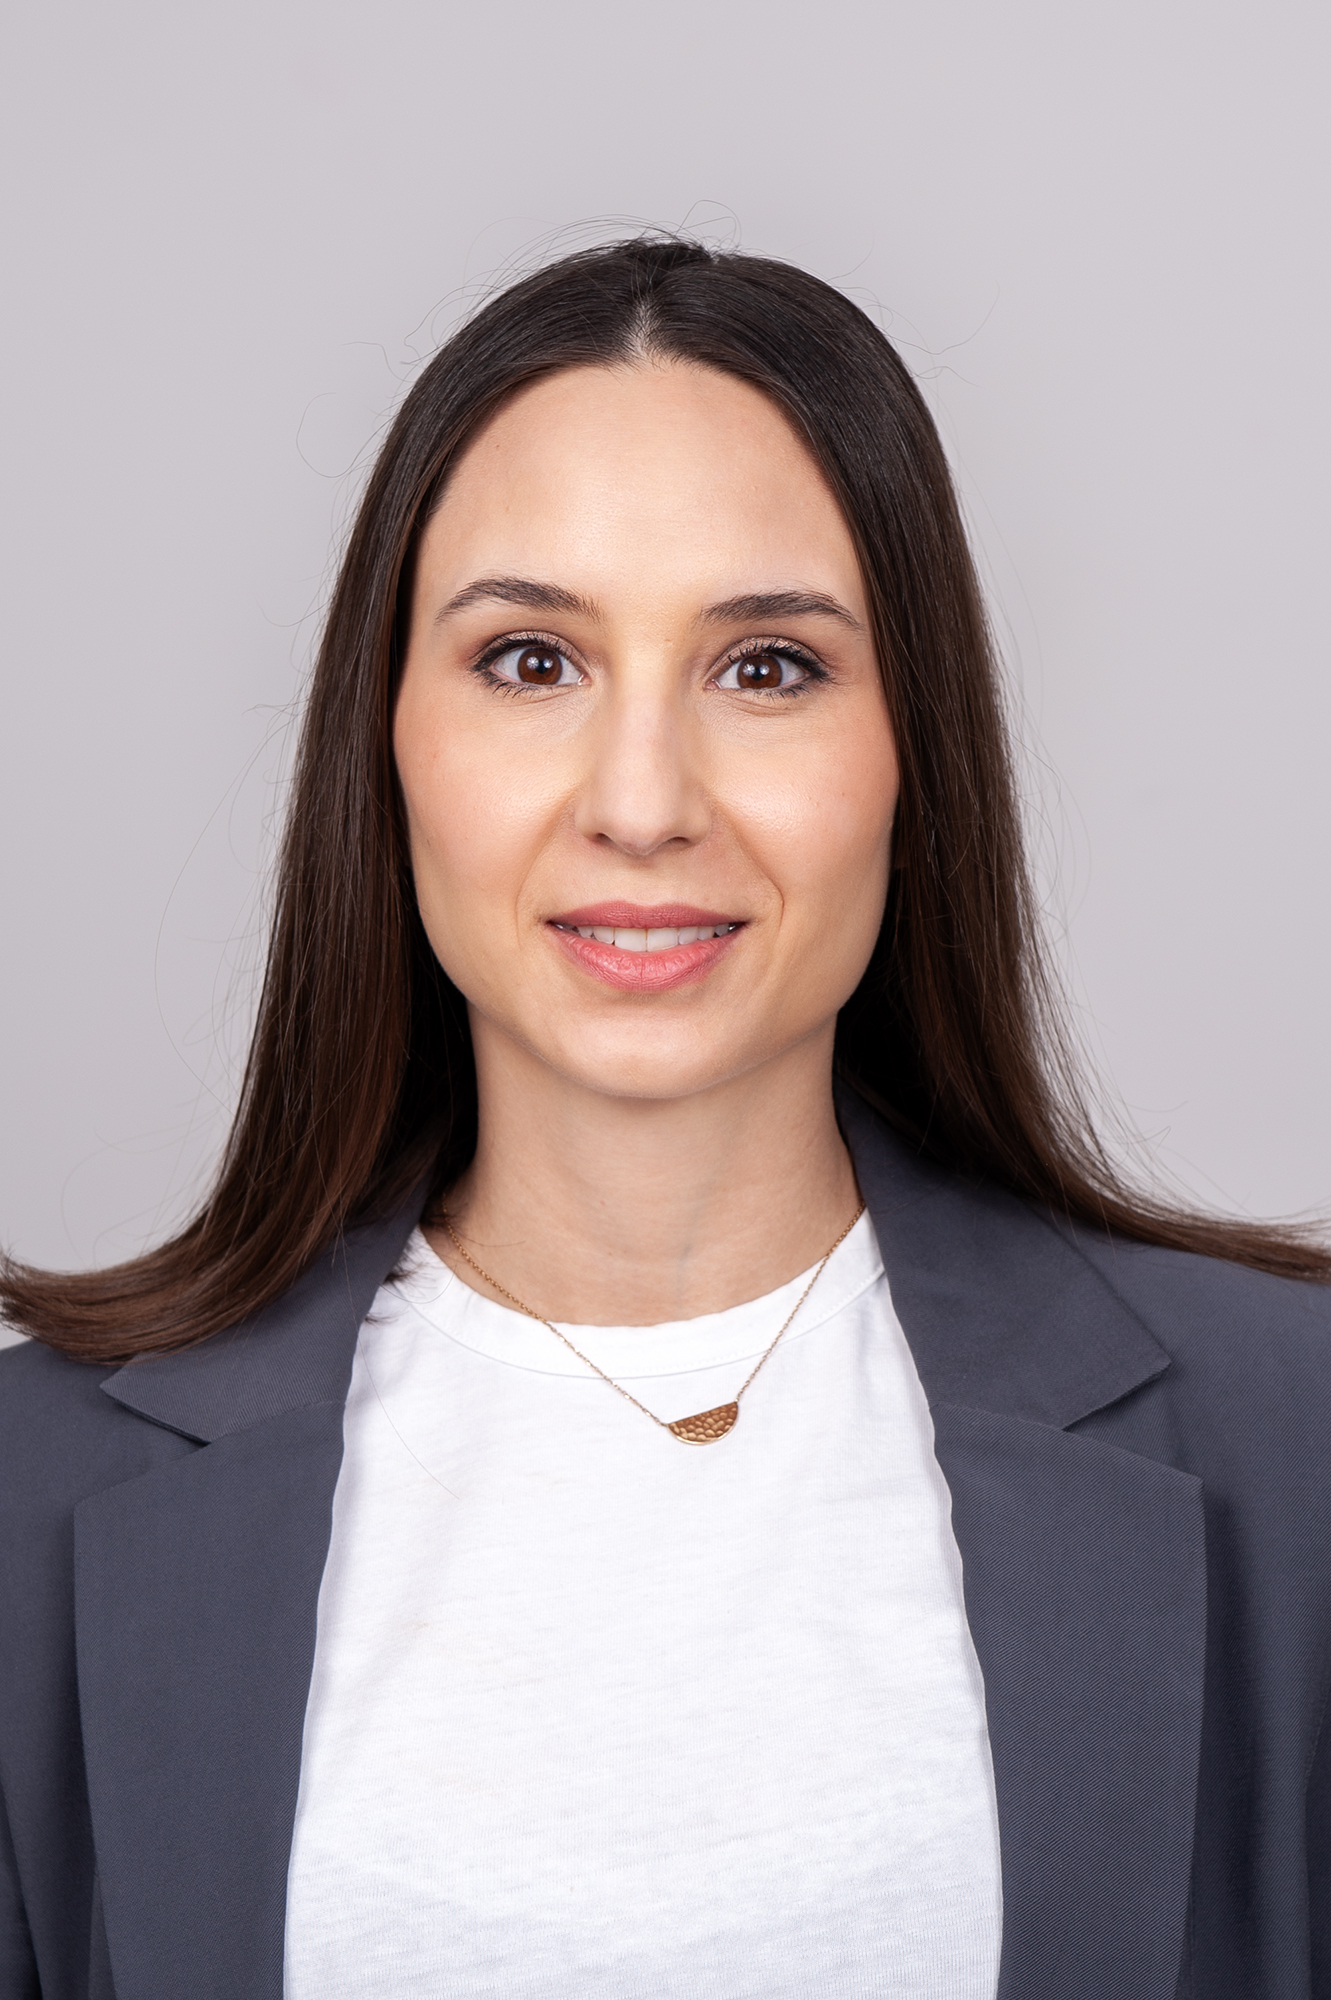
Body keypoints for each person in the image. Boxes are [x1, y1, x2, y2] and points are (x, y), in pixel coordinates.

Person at [2, 238, 1328, 2000]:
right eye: (530, 660)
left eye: (765, 667)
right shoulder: (33, 1493)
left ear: (912, 748)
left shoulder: (1294, 1447)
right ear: (384, 741)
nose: (642, 803)